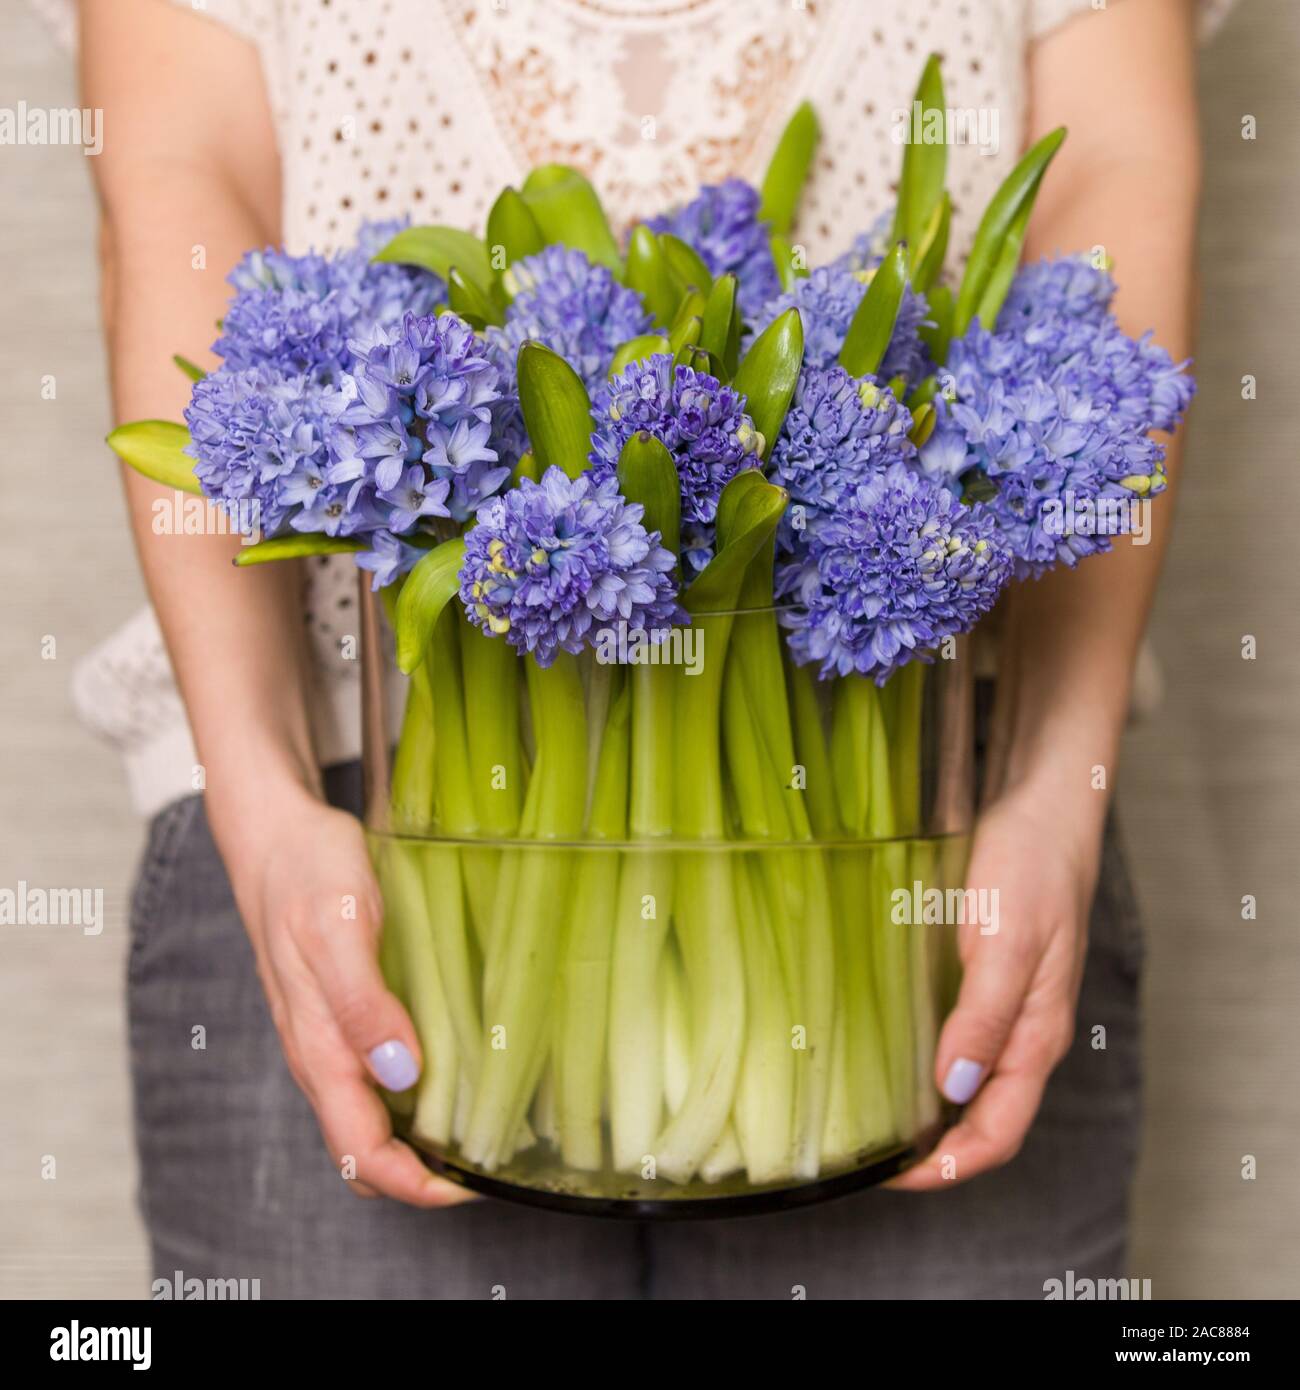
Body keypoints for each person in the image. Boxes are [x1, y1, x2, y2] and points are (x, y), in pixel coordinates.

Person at [61, 0, 1220, 1297]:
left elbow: (1121, 171)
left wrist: (1057, 778)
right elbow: (171, 185)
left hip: (948, 817)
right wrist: (261, 801)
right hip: (329, 832)